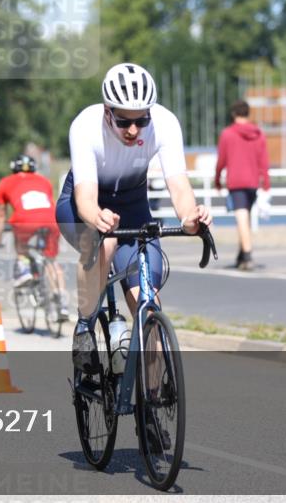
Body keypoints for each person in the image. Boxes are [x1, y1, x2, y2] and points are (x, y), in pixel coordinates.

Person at [56, 63, 211, 370]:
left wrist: (190, 218)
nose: (132, 130)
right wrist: (96, 218)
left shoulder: (165, 123)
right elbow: (85, 197)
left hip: (132, 205)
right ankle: (85, 325)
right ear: (106, 111)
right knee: (104, 245)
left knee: (147, 302)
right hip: (83, 204)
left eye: (141, 120)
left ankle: (151, 404)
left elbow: (179, 186)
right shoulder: (86, 126)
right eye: (123, 121)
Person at [0, 154, 68, 319]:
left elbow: (0, 215)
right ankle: (61, 301)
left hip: (25, 220)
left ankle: (24, 270)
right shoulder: (44, 181)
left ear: (14, 168)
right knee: (51, 261)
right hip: (51, 219)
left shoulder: (5, 182)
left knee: (21, 246)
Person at [214, 100, 270, 271]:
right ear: (248, 114)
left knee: (242, 219)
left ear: (233, 114)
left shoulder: (227, 134)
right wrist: (266, 182)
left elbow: (222, 159)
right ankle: (241, 255)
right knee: (244, 220)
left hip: (236, 182)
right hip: (253, 182)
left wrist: (217, 179)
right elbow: (264, 160)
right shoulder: (259, 134)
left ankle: (247, 255)